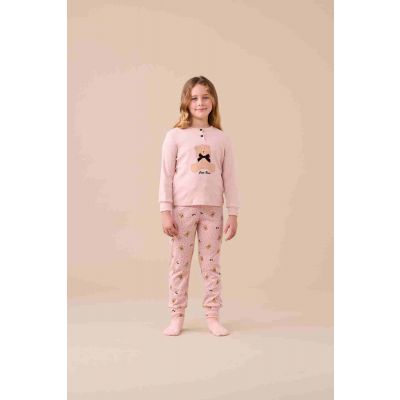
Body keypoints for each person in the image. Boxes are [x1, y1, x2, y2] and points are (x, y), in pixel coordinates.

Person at [158, 76, 240, 336]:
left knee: (211, 265)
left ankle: (213, 316)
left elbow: (230, 178)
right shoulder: (175, 136)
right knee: (179, 265)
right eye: (194, 98)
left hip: (213, 211)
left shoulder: (221, 138)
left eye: (205, 97)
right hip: (182, 210)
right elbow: (166, 175)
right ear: (186, 101)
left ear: (213, 101)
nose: (200, 102)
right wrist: (165, 211)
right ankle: (176, 316)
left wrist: (233, 212)